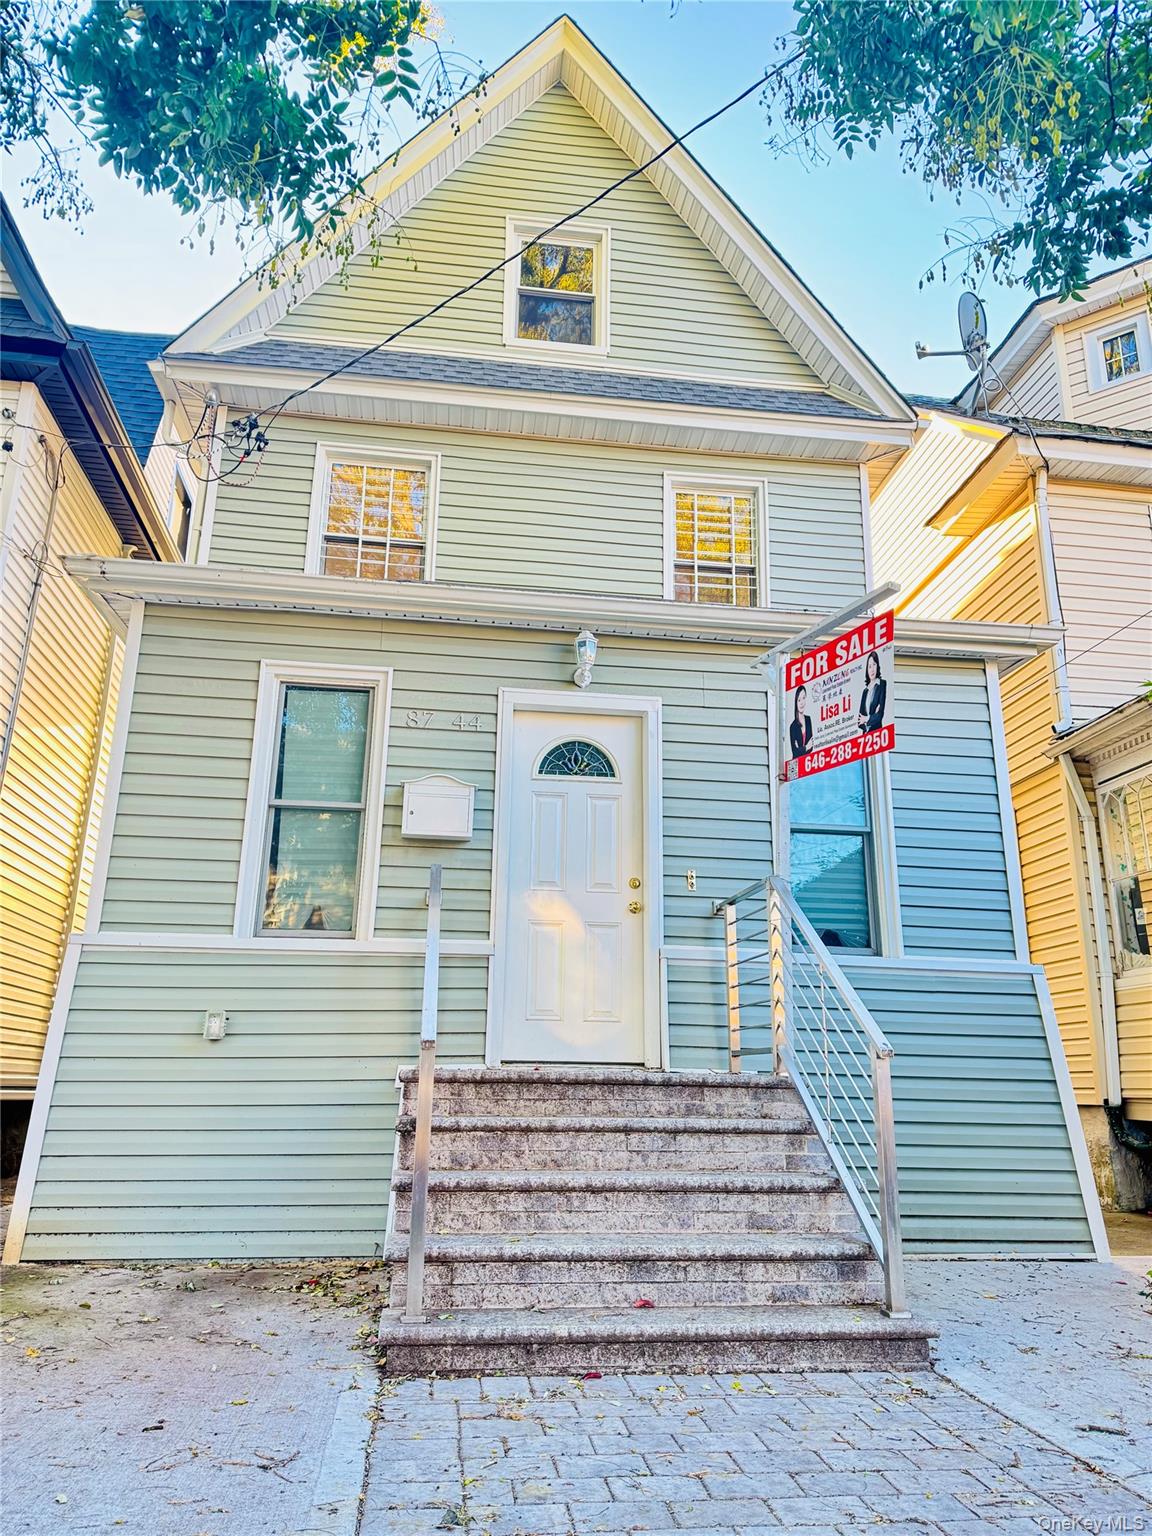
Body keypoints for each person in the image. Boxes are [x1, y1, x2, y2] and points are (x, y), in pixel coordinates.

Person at [857, 650, 887, 734]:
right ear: (867, 669)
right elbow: (859, 722)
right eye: (869, 666)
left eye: (874, 664)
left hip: (877, 734)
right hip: (866, 736)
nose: (872, 669)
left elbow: (880, 715)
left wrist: (866, 719)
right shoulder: (865, 691)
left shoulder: (882, 684)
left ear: (877, 666)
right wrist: (873, 717)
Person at [789, 684, 813, 758]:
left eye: (803, 698)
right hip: (797, 764)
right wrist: (806, 747)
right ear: (796, 702)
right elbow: (795, 751)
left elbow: (811, 746)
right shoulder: (793, 726)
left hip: (808, 762)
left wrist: (801, 749)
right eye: (799, 700)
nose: (802, 702)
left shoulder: (808, 720)